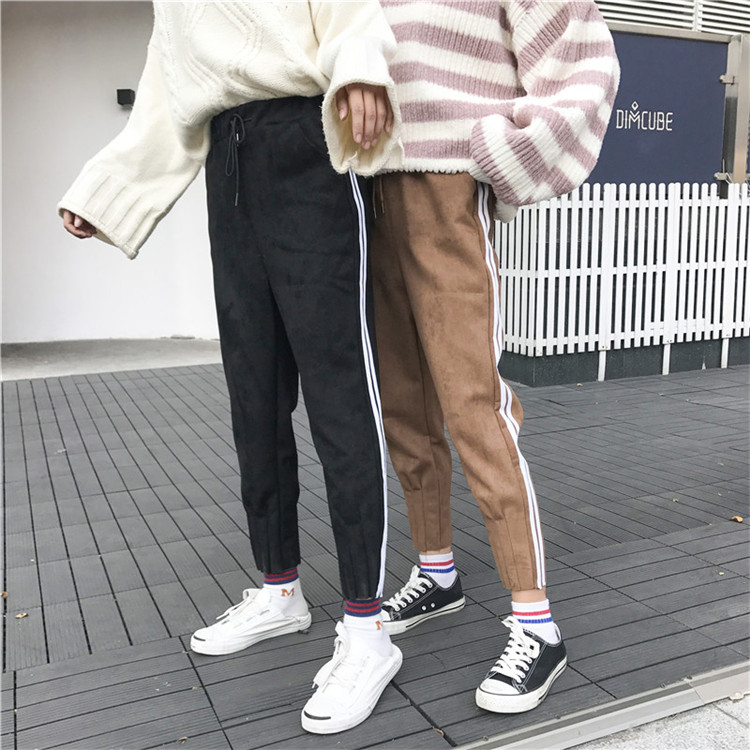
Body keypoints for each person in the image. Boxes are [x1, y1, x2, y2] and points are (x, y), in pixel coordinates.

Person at [59, 1, 405, 734]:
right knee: (254, 392)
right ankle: (280, 589)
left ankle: (367, 628)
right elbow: (166, 96)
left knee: (339, 393)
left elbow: (350, 14)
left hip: (309, 144)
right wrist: (108, 190)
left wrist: (360, 70)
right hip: (229, 158)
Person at [371, 0, 620, 714]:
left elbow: (580, 54)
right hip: (367, 181)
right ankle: (437, 571)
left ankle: (537, 623)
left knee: (473, 405)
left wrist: (502, 148)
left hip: (446, 176)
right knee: (403, 403)